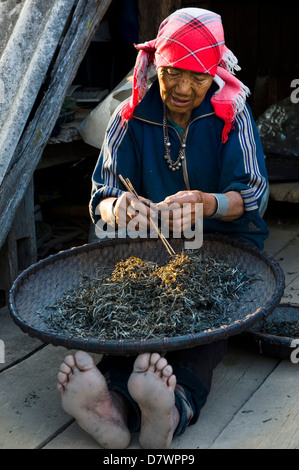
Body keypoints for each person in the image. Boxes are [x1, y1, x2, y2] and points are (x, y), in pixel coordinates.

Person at [57, 7, 269, 449]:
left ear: (215, 73)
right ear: (157, 65)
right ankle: (112, 403)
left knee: (207, 320)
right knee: (130, 305)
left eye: (197, 77)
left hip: (225, 247)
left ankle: (173, 408)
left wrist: (207, 204)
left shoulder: (233, 112)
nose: (183, 88)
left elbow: (254, 195)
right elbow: (101, 198)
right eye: (172, 73)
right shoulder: (131, 115)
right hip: (151, 247)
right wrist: (121, 209)